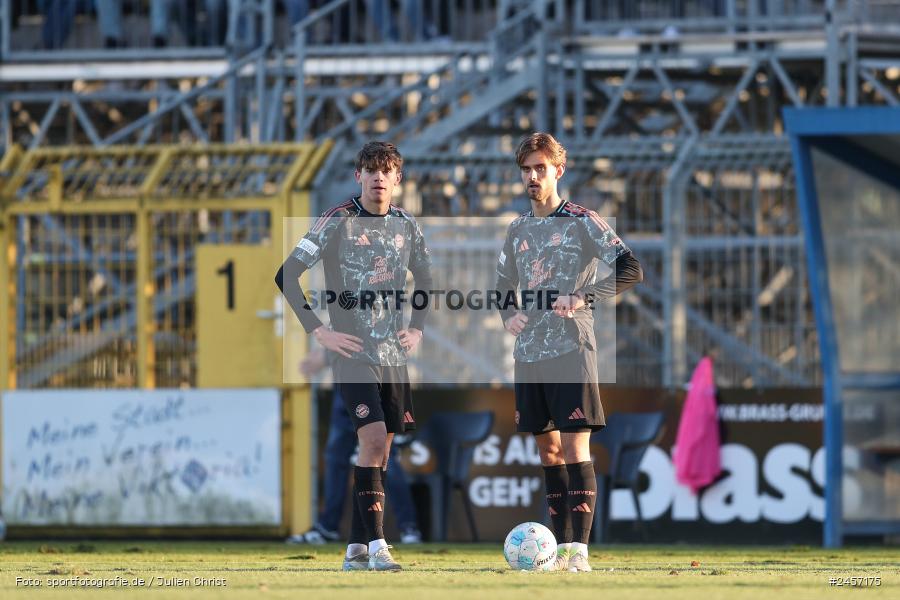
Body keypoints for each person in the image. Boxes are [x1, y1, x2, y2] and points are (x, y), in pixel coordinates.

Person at [276, 141, 432, 572]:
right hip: (353, 352)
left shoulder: (406, 225)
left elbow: (426, 277)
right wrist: (319, 331)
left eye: (387, 171)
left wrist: (416, 326)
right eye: (370, 170)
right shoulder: (337, 221)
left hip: (393, 355)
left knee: (381, 454)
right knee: (374, 440)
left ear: (398, 179)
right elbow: (286, 275)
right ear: (358, 177)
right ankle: (380, 546)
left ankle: (355, 549)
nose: (378, 177)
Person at [495, 132, 642, 572]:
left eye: (541, 168)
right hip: (529, 354)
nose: (533, 177)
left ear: (559, 170)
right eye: (526, 169)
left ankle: (578, 552)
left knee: (576, 449)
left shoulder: (583, 220)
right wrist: (508, 315)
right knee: (548, 453)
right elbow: (504, 286)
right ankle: (557, 551)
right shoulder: (517, 228)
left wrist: (584, 295)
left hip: (570, 348)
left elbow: (630, 268)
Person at [286, 349, 422, 546]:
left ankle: (408, 527)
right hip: (346, 382)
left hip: (373, 378)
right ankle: (329, 527)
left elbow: (368, 331)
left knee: (384, 457)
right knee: (336, 457)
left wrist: (326, 356)